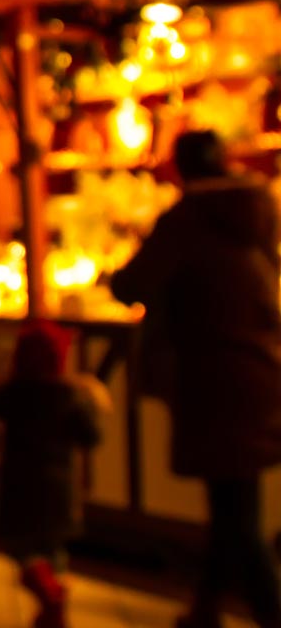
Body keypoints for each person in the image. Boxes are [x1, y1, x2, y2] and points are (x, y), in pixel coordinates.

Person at [112, 131, 281, 628]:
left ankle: (269, 609)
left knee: (235, 510)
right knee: (232, 500)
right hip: (256, 371)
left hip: (212, 379)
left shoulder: (186, 220)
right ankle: (207, 607)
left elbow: (131, 283)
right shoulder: (256, 211)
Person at [0, 320, 107, 628]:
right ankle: (53, 606)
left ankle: (47, 597)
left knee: (23, 551)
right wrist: (92, 401)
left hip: (21, 490)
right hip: (62, 495)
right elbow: (92, 437)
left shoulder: (14, 392)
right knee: (55, 553)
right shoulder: (70, 396)